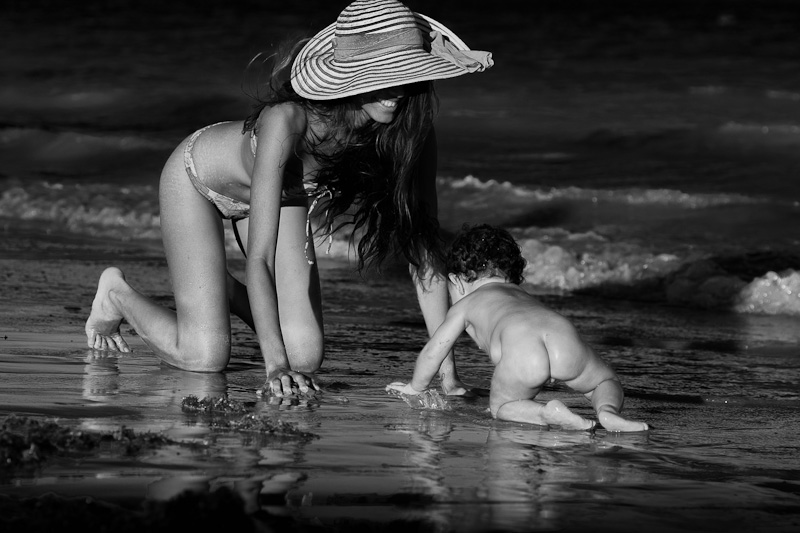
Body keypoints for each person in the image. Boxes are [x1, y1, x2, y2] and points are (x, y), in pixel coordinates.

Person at [84, 0, 493, 397]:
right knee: (206, 357)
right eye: (383, 75)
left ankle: (216, 286)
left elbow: (422, 248)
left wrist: (447, 374)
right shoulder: (289, 121)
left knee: (306, 357)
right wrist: (274, 368)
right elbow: (258, 257)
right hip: (198, 181)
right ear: (353, 75)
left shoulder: (410, 130)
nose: (397, 91)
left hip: (284, 198)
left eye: (405, 73)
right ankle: (117, 293)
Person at [386, 224, 650, 432]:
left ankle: (545, 413)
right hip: (561, 336)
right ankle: (608, 412)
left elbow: (435, 350)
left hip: (523, 353)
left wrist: (415, 387)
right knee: (605, 381)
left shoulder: (464, 306)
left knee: (502, 407)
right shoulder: (519, 294)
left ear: (456, 280)